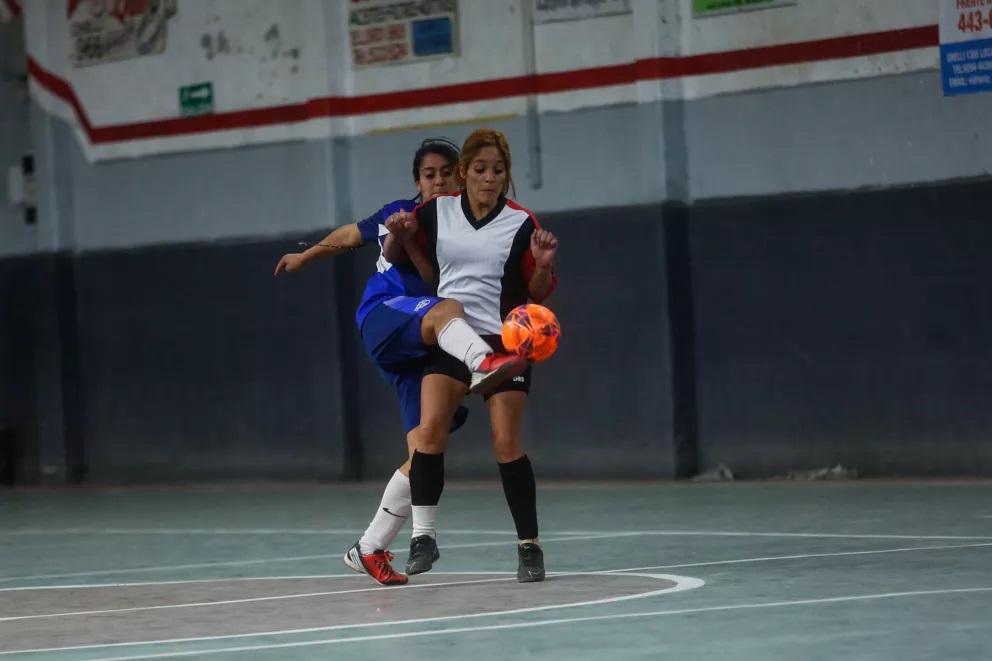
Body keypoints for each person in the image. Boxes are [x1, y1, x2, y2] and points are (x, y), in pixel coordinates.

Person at [274, 138, 525, 586]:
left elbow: (450, 273)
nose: (439, 181)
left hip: (427, 343)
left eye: (447, 174)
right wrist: (306, 256)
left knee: (425, 451)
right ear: (417, 182)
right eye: (429, 175)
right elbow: (352, 236)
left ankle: (368, 547)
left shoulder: (458, 223)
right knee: (448, 309)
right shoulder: (402, 213)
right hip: (389, 316)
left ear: (461, 175)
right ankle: (484, 363)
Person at [384, 128, 559, 583]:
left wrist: (542, 265)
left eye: (497, 171)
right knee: (429, 431)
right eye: (480, 170)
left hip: (503, 345)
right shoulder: (435, 212)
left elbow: (536, 294)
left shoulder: (520, 223)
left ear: (506, 175)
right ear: (464, 173)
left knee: (505, 441)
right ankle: (423, 537)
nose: (489, 178)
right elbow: (398, 254)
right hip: (450, 337)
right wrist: (397, 235)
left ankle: (529, 546)